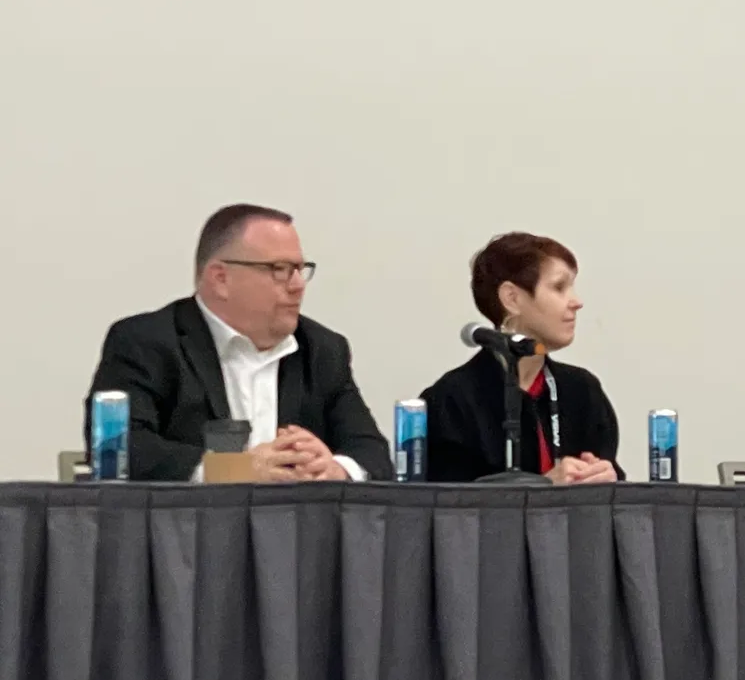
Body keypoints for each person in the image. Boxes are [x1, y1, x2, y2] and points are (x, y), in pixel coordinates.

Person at [85, 203, 393, 482]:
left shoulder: (322, 350)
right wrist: (234, 470)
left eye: (300, 270)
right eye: (279, 270)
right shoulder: (146, 342)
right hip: (189, 535)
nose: (297, 286)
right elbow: (121, 448)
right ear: (221, 278)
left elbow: (371, 452)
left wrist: (334, 469)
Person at [420, 232, 623, 484]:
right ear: (512, 299)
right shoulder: (452, 400)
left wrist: (609, 480)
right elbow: (452, 510)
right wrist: (543, 489)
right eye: (559, 287)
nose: (576, 302)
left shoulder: (582, 390)